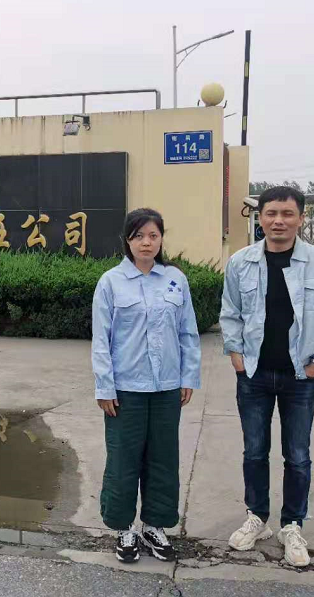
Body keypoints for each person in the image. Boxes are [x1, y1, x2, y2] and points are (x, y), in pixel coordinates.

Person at [220, 186, 314, 567]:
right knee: (254, 451)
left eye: (287, 214)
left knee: (298, 455)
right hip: (254, 373)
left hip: (300, 376)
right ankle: (257, 518)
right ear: (260, 217)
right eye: (271, 213)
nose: (278, 221)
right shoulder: (241, 262)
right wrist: (237, 356)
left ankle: (292, 525)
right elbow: (230, 313)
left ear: (301, 218)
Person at [92, 208, 201, 563]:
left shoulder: (175, 279)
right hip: (126, 389)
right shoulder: (111, 282)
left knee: (163, 460)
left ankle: (154, 526)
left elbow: (188, 332)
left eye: (153, 235)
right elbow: (101, 339)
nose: (146, 242)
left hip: (167, 387)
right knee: (123, 460)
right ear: (127, 240)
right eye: (138, 236)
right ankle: (124, 529)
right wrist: (105, 386)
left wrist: (188, 376)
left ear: (161, 239)